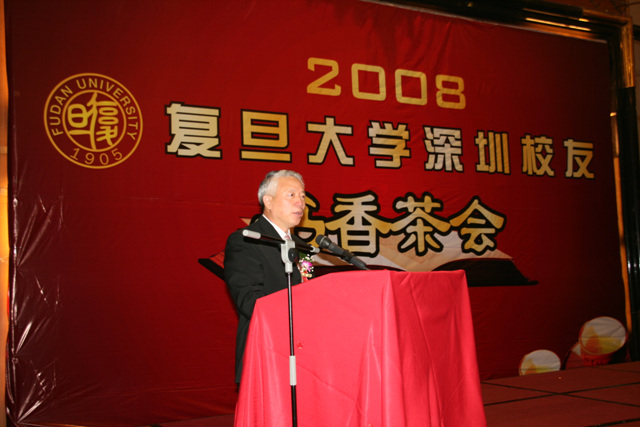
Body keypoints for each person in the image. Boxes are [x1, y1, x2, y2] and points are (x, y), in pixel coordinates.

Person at [223, 170, 310, 384]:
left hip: (305, 355)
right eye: (291, 195)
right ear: (268, 201)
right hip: (267, 352)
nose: (300, 202)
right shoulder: (247, 241)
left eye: (302, 196)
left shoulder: (302, 247)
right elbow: (251, 302)